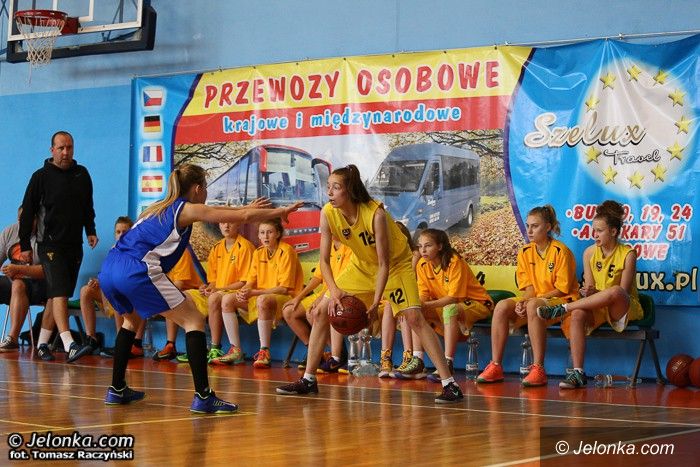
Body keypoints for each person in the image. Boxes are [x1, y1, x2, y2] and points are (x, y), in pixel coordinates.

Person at [98, 163, 301, 413]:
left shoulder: (155, 208)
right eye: (205, 188)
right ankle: (204, 396)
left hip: (110, 268)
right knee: (193, 319)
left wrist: (247, 208)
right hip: (136, 270)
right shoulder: (186, 208)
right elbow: (240, 217)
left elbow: (226, 211)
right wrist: (281, 210)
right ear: (197, 189)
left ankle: (117, 388)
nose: (206, 193)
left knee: (131, 320)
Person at [276, 165, 463, 403]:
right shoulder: (328, 213)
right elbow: (324, 261)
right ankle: (309, 380)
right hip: (362, 265)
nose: (329, 192)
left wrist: (375, 301)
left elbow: (384, 263)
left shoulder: (376, 214)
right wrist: (334, 291)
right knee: (322, 310)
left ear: (350, 190)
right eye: (328, 187)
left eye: (336, 187)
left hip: (395, 265)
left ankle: (450, 384)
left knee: (414, 317)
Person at [538, 200, 642, 389]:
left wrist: (598, 293)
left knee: (616, 291)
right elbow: (590, 290)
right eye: (594, 230)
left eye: (599, 231)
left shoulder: (628, 254)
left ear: (613, 231)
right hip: (598, 304)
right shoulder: (589, 253)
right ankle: (577, 373)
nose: (595, 235)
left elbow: (623, 292)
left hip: (622, 307)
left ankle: (563, 308)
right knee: (578, 314)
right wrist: (589, 291)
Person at [19, 131, 99, 363]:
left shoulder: (82, 174)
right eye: (61, 148)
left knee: (55, 296)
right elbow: (27, 212)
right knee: (60, 292)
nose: (65, 152)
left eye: (69, 147)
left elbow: (87, 206)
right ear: (52, 150)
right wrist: (25, 245)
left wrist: (90, 230)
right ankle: (69, 343)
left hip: (74, 245)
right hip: (50, 245)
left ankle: (42, 344)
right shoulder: (40, 177)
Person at [476, 205, 578, 387]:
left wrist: (531, 301)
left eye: (535, 226)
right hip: (536, 300)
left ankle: (538, 368)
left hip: (563, 301)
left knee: (533, 306)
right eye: (528, 225)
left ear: (548, 227)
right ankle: (495, 365)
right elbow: (529, 289)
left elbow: (562, 290)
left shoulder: (561, 251)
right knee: (502, 306)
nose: (529, 231)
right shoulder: (525, 252)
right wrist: (522, 301)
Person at [221, 218, 304, 368]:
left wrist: (254, 293)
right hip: (261, 296)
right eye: (262, 233)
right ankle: (236, 350)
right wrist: (244, 291)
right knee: (227, 300)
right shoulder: (258, 252)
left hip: (286, 298)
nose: (265, 236)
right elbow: (250, 282)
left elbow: (284, 289)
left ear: (278, 234)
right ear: (258, 235)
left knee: (263, 300)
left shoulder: (287, 251)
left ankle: (264, 352)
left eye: (269, 232)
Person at [414, 228, 493, 382]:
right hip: (445, 306)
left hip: (476, 303)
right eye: (420, 246)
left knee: (449, 309)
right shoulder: (422, 264)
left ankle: (447, 362)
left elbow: (453, 298)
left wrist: (426, 305)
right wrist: (419, 304)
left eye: (428, 245)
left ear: (440, 246)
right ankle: (417, 360)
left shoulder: (454, 261)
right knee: (414, 312)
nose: (423, 250)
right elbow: (423, 294)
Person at [282, 237, 352, 373]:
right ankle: (315, 354)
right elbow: (317, 277)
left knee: (314, 313)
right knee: (289, 311)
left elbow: (341, 281)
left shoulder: (349, 247)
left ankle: (337, 355)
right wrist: (299, 297)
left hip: (338, 293)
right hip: (323, 292)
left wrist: (321, 298)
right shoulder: (328, 247)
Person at [79, 216, 146, 358]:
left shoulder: (139, 250)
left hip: (132, 294)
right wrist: (98, 281)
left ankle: (124, 344)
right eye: (118, 232)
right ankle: (91, 339)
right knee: (86, 291)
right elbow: (107, 274)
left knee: (118, 292)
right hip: (112, 291)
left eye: (125, 232)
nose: (121, 235)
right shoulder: (113, 250)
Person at [192, 221, 255, 365]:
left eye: (230, 223)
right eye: (222, 223)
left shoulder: (245, 247)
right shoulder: (217, 247)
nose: (226, 226)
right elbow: (213, 280)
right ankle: (198, 347)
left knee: (214, 298)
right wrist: (208, 288)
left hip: (238, 294)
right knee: (187, 297)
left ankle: (216, 347)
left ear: (238, 225)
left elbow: (244, 282)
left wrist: (218, 290)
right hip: (219, 292)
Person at [0, 208, 53, 353]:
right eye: (21, 220)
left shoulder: (46, 236)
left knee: (18, 284)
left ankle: (12, 339)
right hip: (13, 281)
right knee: (16, 283)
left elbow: (49, 271)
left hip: (39, 284)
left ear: (37, 220)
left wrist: (19, 270)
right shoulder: (10, 232)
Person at [155, 247, 206, 362]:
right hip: (176, 293)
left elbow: (179, 284)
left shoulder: (180, 251)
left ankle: (194, 350)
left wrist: (157, 296)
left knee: (172, 298)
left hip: (193, 292)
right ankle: (170, 345)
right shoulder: (154, 254)